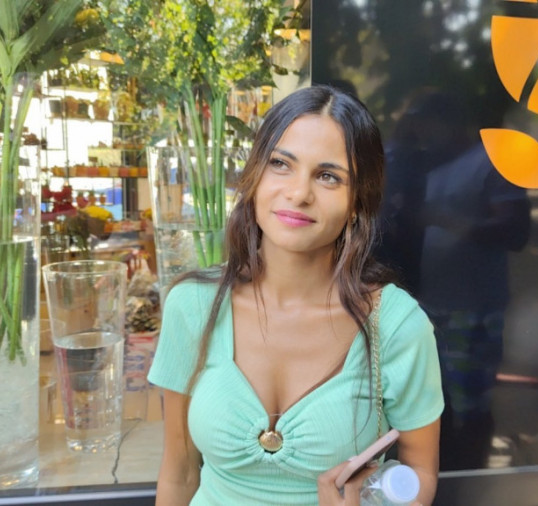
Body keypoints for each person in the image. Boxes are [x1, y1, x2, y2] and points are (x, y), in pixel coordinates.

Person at [147, 85, 444, 505]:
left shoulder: (397, 325)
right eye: (281, 164)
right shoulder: (193, 305)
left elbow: (420, 474)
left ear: (357, 201)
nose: (299, 193)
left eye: (328, 176)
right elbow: (178, 474)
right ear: (255, 175)